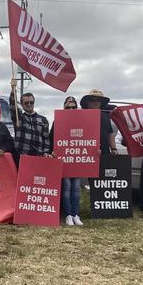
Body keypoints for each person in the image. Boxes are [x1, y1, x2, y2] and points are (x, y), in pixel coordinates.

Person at [50, 96, 83, 226]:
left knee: (76, 188)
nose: (71, 109)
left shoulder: (82, 120)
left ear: (77, 108)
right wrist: (52, 151)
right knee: (67, 187)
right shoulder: (58, 121)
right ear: (64, 107)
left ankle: (76, 214)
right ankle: (68, 214)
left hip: (79, 159)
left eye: (73, 107)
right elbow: (52, 138)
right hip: (64, 160)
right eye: (68, 107)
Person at [9, 79, 51, 166]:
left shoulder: (43, 120)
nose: (29, 104)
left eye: (31, 102)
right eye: (26, 103)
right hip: (22, 156)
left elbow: (46, 139)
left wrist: (46, 152)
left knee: (36, 179)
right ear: (22, 104)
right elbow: (13, 106)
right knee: (23, 179)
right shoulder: (19, 117)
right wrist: (13, 89)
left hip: (38, 157)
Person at [79, 89, 117, 155]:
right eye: (92, 100)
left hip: (104, 153)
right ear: (87, 102)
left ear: (101, 103)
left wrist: (113, 149)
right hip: (86, 155)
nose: (95, 102)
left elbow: (110, 133)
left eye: (99, 100)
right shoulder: (80, 116)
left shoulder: (105, 116)